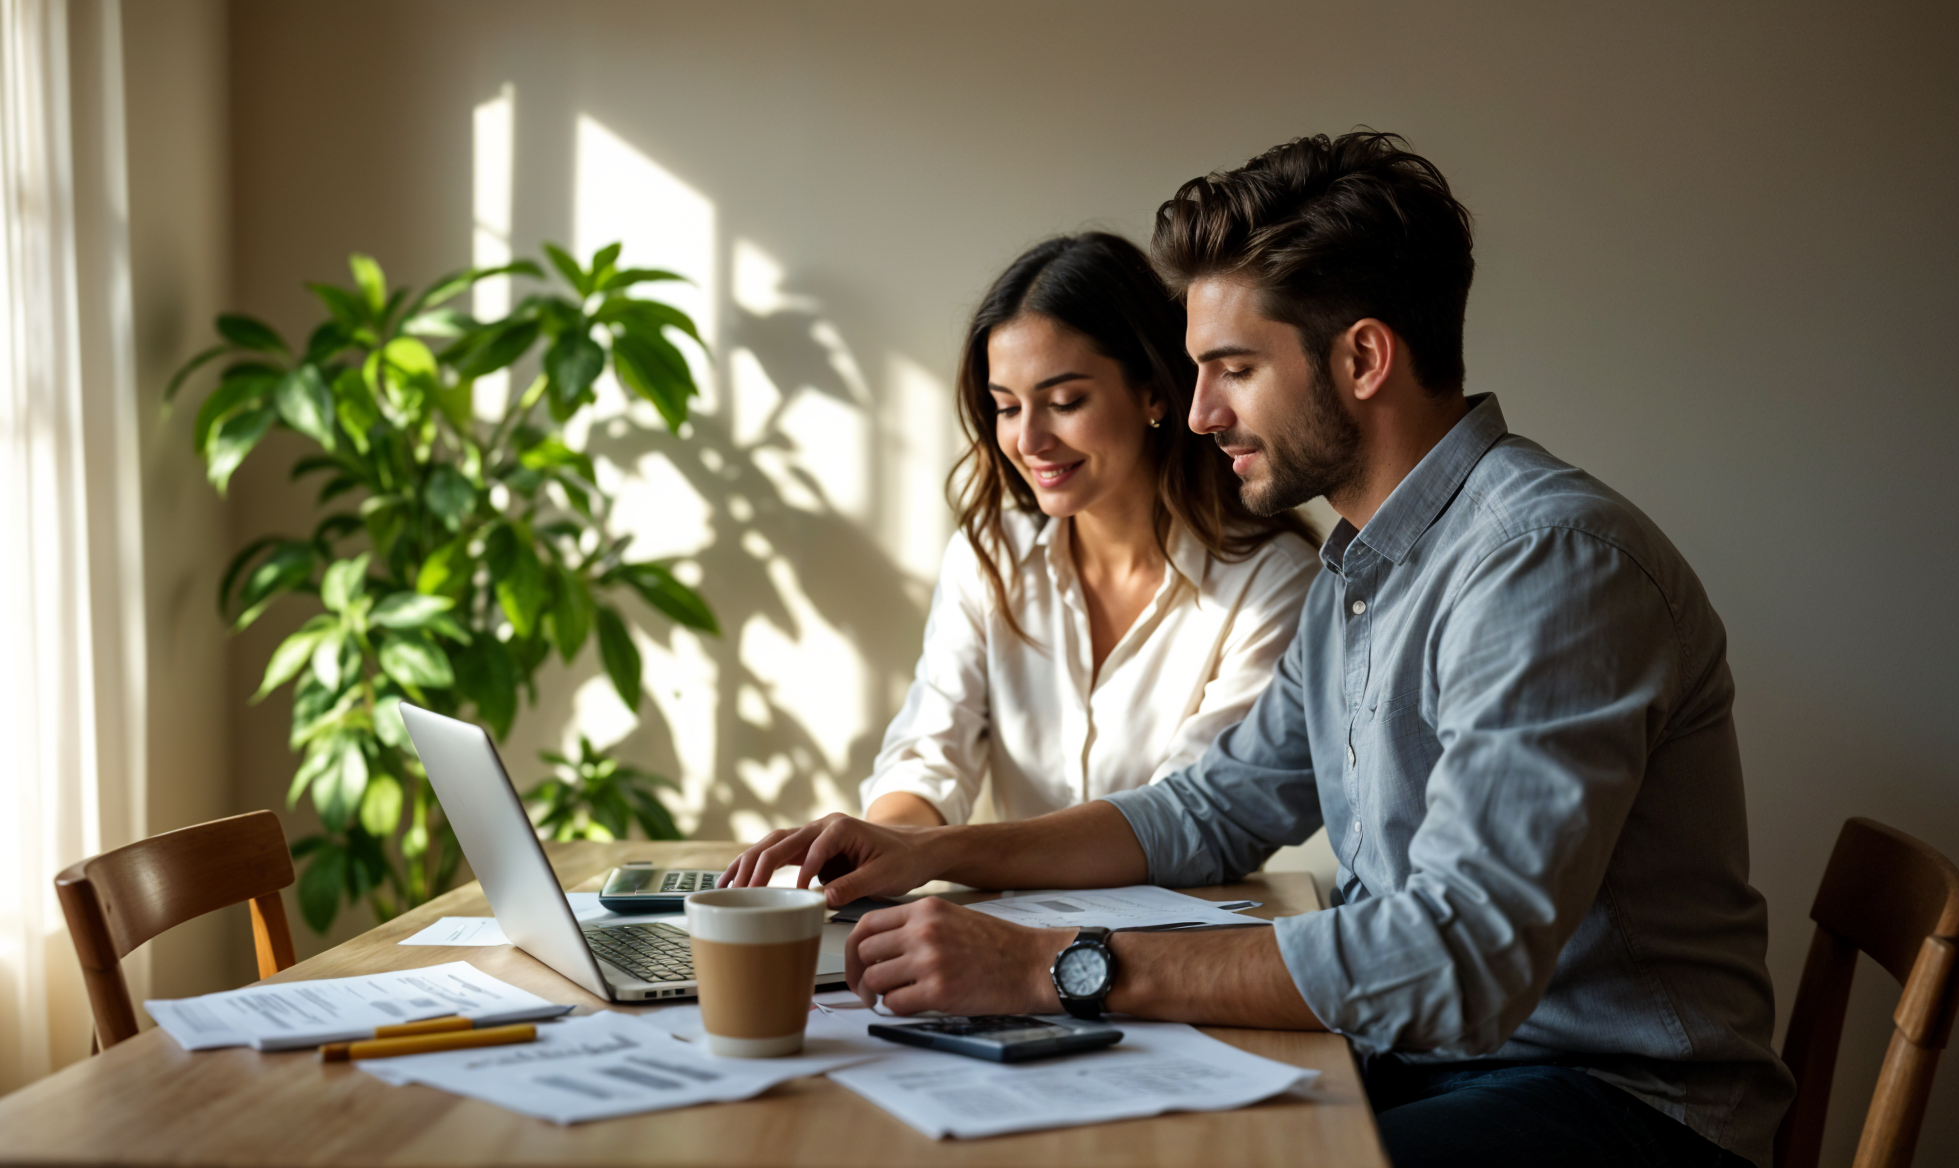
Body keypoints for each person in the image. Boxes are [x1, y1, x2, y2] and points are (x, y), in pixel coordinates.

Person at [725, 133, 1792, 1168]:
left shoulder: (1544, 564)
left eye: (1230, 368)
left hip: (1618, 1104)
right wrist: (933, 852)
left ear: (1362, 358)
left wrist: (1049, 964)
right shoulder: (1364, 567)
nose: (1195, 414)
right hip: (1443, 1064)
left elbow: (1458, 957)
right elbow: (1210, 808)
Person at [860, 233, 1319, 828]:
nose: (1028, 442)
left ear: (1153, 390)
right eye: (1006, 406)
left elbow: (1185, 818)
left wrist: (945, 855)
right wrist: (884, 846)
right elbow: (927, 754)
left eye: (1066, 401)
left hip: (1178, 922)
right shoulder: (989, 557)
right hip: (1004, 914)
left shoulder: (1270, 585)